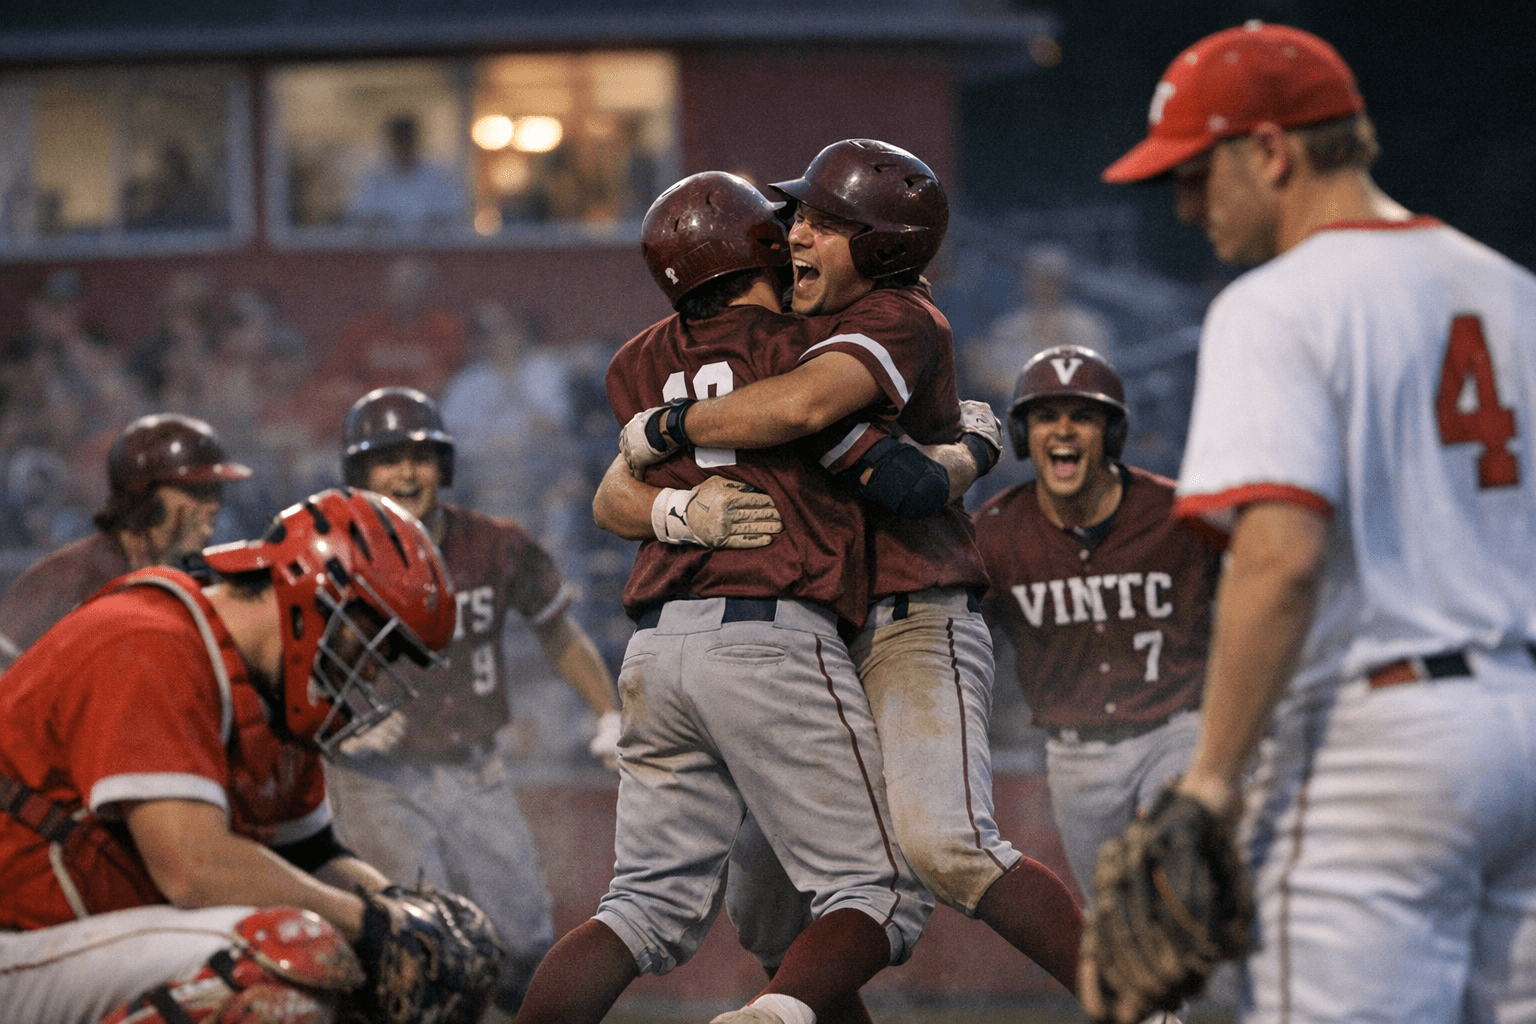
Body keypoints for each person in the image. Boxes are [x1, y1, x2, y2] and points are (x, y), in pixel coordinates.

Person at [1082, 22, 1536, 1024]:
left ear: (1272, 150)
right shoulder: (1512, 292)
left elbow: (1279, 559)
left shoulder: (1278, 304)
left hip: (1378, 745)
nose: (1189, 205)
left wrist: (1210, 782)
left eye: (1198, 172)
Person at [618, 141, 1086, 1010]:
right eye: (798, 215)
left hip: (909, 615)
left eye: (827, 222)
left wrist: (668, 421)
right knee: (765, 915)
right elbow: (615, 492)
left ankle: (1141, 998)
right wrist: (668, 509)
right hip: (814, 635)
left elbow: (821, 423)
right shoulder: (782, 333)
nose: (794, 230)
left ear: (880, 249)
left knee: (947, 847)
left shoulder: (894, 318)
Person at [516, 170, 941, 1024]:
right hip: (770, 635)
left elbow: (612, 496)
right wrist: (963, 445)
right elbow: (891, 470)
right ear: (757, 246)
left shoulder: (633, 361)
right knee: (880, 891)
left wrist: (673, 507)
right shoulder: (804, 345)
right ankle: (768, 1018)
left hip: (655, 647)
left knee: (637, 909)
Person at [0, 487, 458, 1024]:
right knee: (288, 956)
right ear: (317, 595)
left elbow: (311, 858)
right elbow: (191, 867)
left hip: (66, 942)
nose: (375, 672)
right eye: (373, 642)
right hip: (14, 937)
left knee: (361, 974)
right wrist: (369, 925)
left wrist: (410, 920)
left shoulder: (273, 690)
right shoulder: (148, 638)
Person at [324, 384, 621, 1018]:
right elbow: (281, 662)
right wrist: (335, 723)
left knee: (523, 943)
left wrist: (608, 713)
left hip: (473, 767)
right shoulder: (330, 554)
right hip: (373, 777)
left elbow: (558, 632)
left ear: (445, 466)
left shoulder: (495, 545)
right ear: (359, 472)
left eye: (420, 455)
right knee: (413, 945)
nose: (406, 472)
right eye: (387, 458)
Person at [972, 345, 1220, 896]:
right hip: (1075, 753)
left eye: (1082, 416)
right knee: (1114, 921)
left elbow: (1256, 599)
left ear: (1111, 432)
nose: (1063, 431)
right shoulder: (994, 533)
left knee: (1188, 894)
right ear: (1021, 435)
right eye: (1045, 416)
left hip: (1178, 732)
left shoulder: (1180, 515)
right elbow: (957, 648)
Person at [0, 413, 252, 667]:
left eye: (216, 491)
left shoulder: (171, 576)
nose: (214, 505)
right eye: (197, 491)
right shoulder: (73, 578)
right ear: (142, 495)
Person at [966, 244, 1117, 408]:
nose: (1045, 286)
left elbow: (1098, 377)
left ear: (1064, 283)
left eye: (1052, 279)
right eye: (1038, 278)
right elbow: (989, 379)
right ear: (1026, 281)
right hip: (1016, 416)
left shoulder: (1088, 326)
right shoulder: (1007, 327)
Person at [350, 112, 466, 234]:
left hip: (433, 249)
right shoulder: (374, 178)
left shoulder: (440, 176)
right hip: (386, 248)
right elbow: (361, 216)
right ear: (391, 143)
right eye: (399, 142)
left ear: (415, 140)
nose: (404, 148)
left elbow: (455, 214)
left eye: (407, 141)